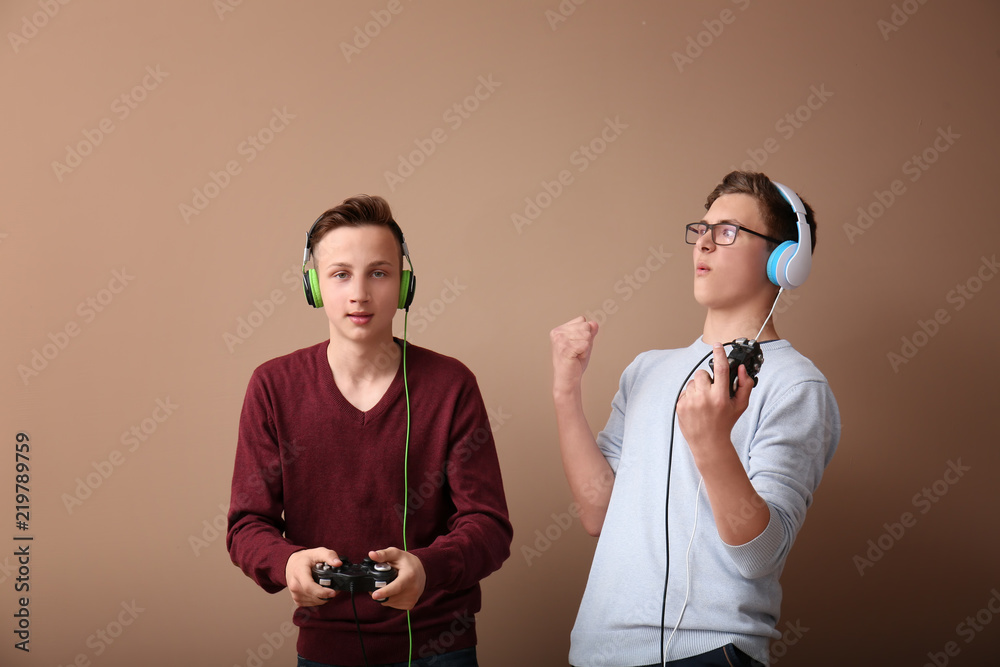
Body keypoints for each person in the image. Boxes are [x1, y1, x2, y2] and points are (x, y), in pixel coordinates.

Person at [549, 171, 840, 667]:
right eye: (701, 228)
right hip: (597, 649)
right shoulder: (646, 369)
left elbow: (760, 556)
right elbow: (599, 514)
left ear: (782, 260)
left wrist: (711, 443)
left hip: (709, 651)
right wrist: (565, 391)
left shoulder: (797, 385)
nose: (703, 242)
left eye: (726, 231)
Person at [227, 194, 512, 667]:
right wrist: (288, 562)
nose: (359, 293)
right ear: (314, 286)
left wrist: (427, 568)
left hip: (440, 646)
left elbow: (489, 525)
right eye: (340, 274)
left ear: (404, 287)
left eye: (378, 272)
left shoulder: (451, 384)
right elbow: (246, 526)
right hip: (325, 649)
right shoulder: (272, 386)